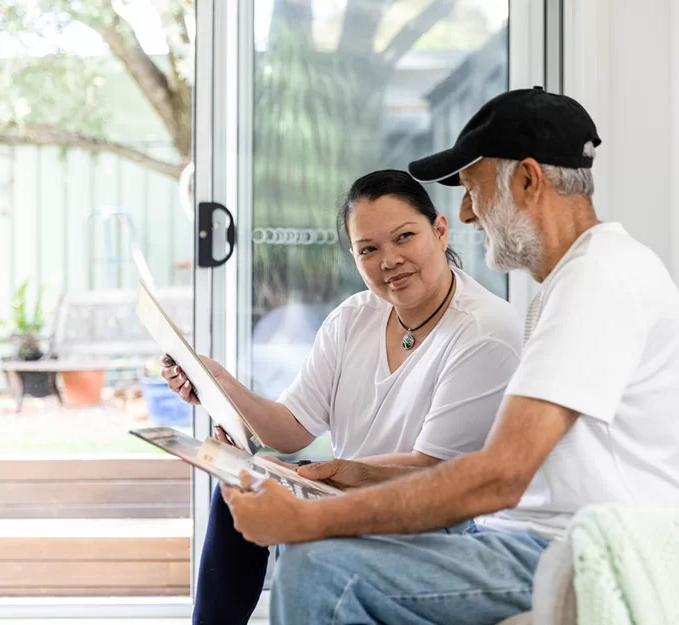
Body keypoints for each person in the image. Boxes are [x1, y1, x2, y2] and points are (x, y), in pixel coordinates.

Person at [221, 87, 679, 625]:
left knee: (319, 568)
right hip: (519, 535)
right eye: (368, 249)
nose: (465, 212)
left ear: (529, 181)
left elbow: (498, 474)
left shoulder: (595, 282)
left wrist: (311, 520)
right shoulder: (582, 276)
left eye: (471, 189)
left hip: (568, 549)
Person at [161, 169, 522, 625]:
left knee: (268, 489)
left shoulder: (483, 331)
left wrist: (308, 478)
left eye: (404, 237)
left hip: (437, 521)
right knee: (239, 487)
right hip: (353, 496)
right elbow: (291, 427)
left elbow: (432, 471)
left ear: (440, 230)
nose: (389, 260)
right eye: (368, 250)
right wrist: (219, 383)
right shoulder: (354, 317)